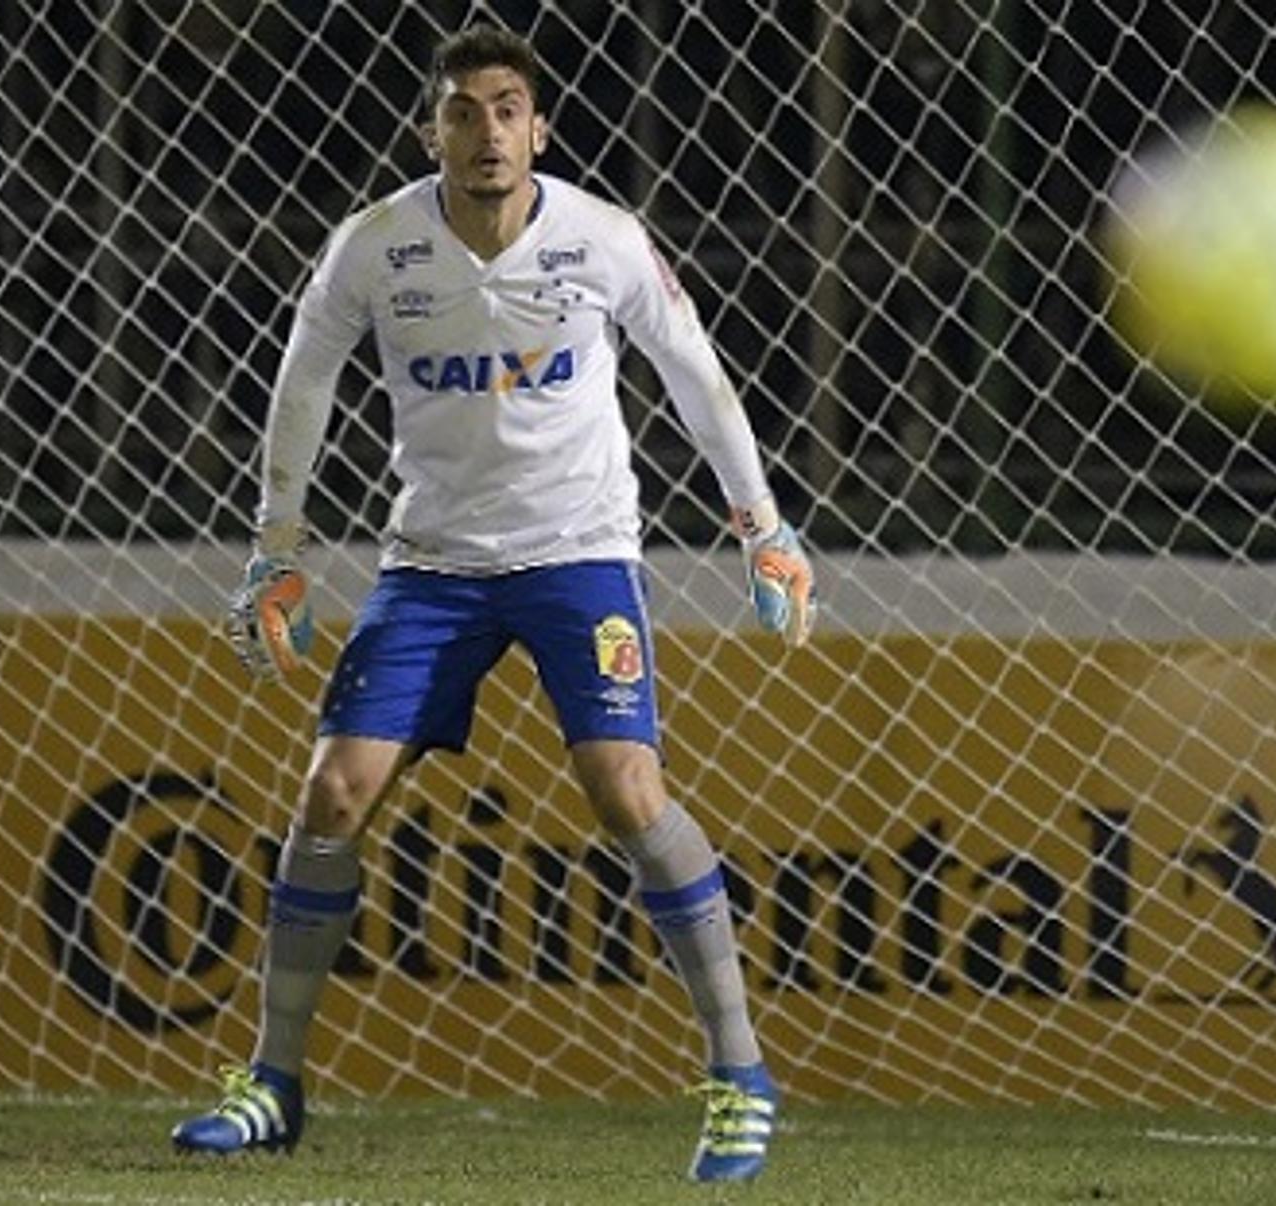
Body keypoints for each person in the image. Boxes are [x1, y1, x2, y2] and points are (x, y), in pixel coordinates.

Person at [171, 26, 814, 1184]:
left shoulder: (603, 240)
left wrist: (762, 528)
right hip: (434, 564)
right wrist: (279, 551)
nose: (487, 132)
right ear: (434, 132)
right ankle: (271, 1082)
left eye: (508, 109)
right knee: (333, 791)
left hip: (579, 554)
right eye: (463, 112)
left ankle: (740, 1075)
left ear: (540, 129)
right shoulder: (375, 248)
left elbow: (693, 369)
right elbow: (302, 379)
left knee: (629, 792)